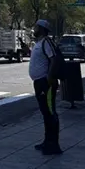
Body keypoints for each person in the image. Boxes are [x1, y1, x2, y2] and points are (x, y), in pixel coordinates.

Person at [29, 19, 61, 155]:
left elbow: (54, 58)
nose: (34, 29)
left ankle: (54, 145)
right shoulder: (39, 43)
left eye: (36, 27)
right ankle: (47, 141)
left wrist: (49, 76)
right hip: (39, 82)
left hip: (45, 83)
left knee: (50, 112)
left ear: (41, 29)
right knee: (45, 113)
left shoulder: (47, 42)